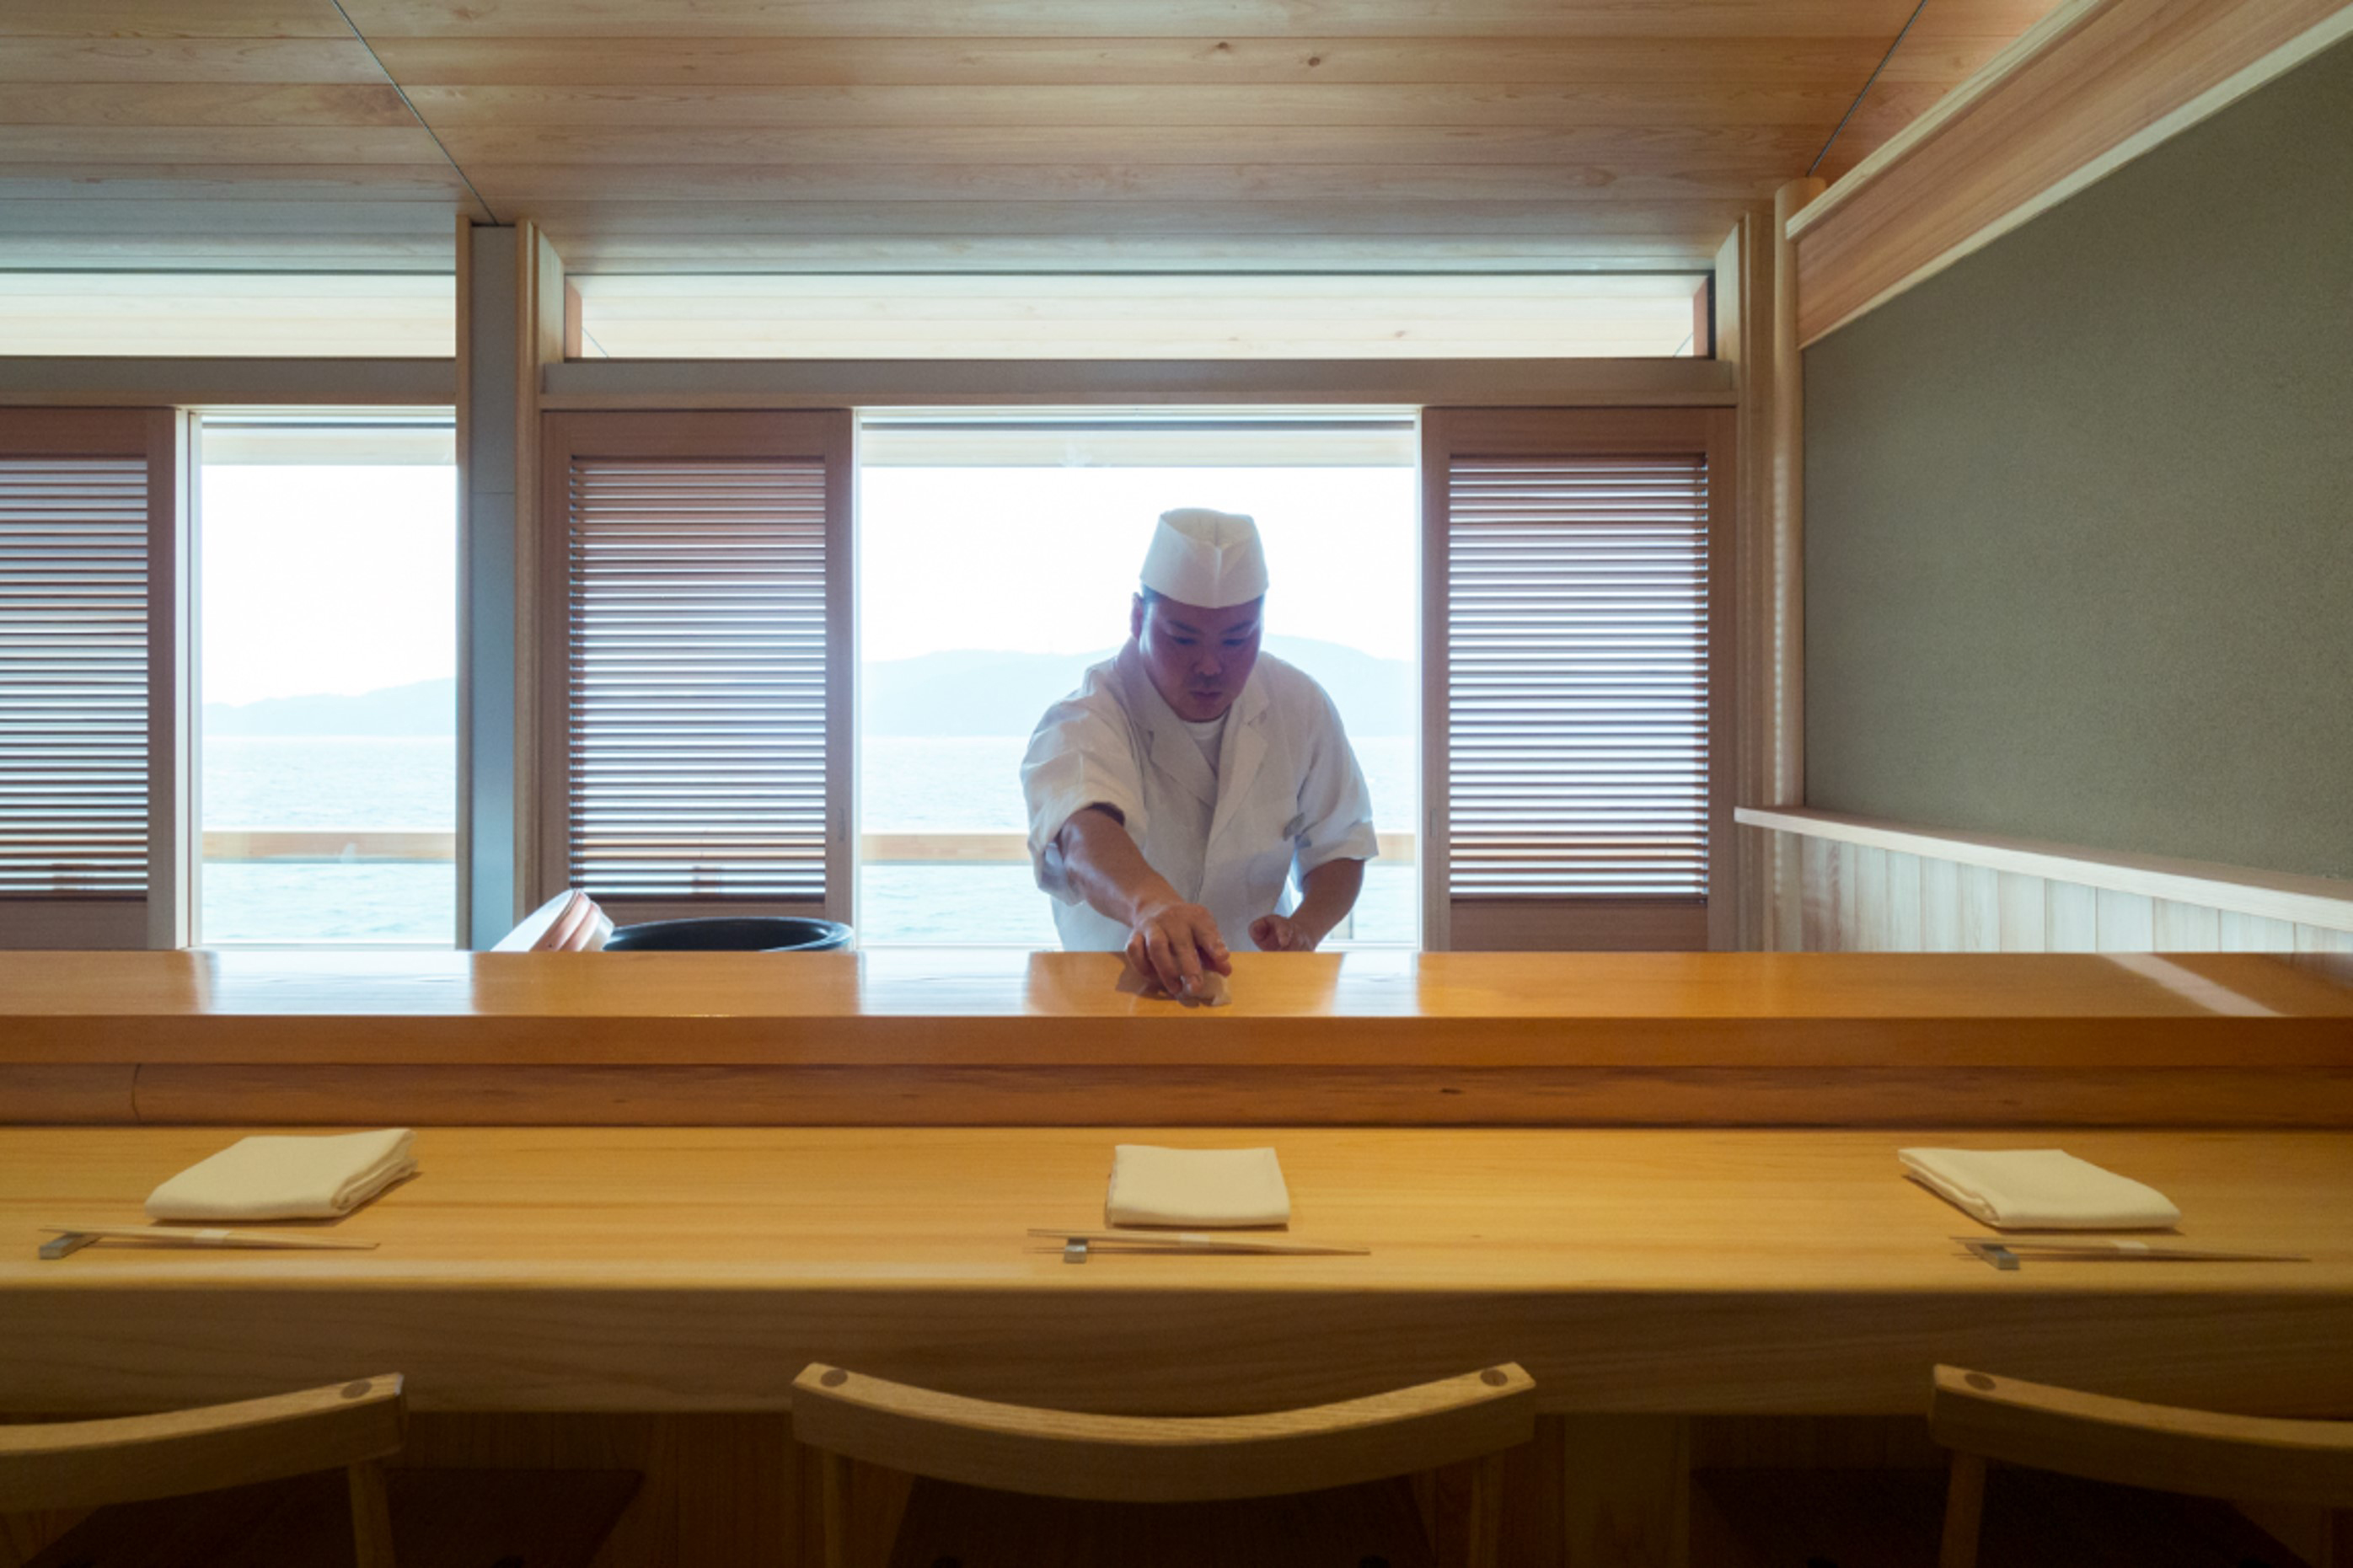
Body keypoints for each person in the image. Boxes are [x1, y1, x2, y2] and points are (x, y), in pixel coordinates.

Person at [1021, 507, 1376, 995]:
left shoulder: (1299, 705)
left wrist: (1306, 928)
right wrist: (1151, 906)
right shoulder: (1088, 716)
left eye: (1237, 639)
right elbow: (1084, 835)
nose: (1211, 665)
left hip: (1256, 996)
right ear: (1137, 617)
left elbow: (1341, 843)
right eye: (1182, 638)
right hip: (1110, 1001)